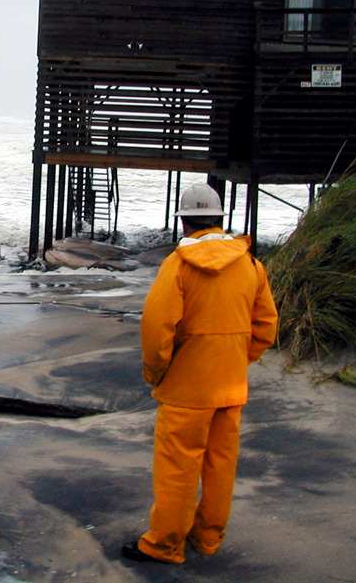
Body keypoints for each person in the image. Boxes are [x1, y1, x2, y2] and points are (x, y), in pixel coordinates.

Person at [122, 183, 278, 564]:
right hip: (230, 387)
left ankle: (164, 544)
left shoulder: (177, 265)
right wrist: (237, 360)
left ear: (184, 221)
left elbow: (158, 329)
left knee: (178, 468)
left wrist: (155, 373)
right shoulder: (250, 264)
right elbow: (266, 327)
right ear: (219, 219)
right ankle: (207, 538)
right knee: (220, 465)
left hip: (186, 390)